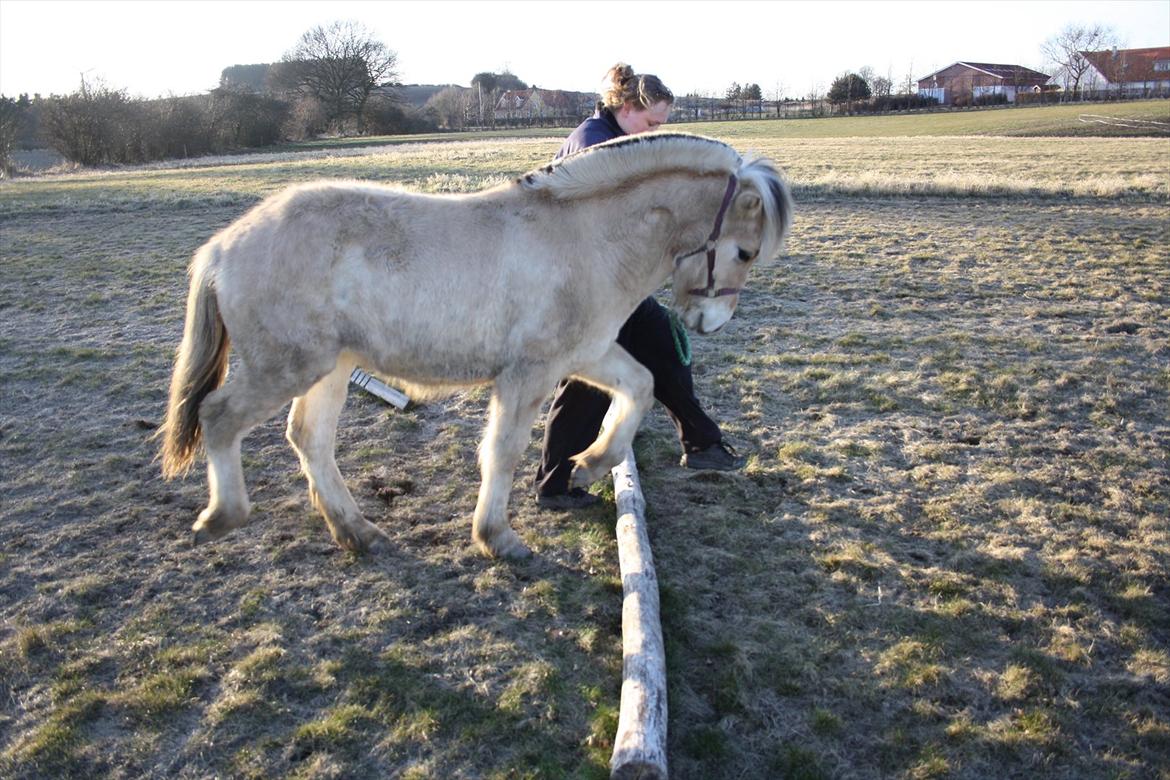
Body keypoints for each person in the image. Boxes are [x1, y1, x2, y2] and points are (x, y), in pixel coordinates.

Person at [534, 63, 746, 510]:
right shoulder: (595, 143)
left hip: (609, 283)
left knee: (665, 343)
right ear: (627, 108)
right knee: (586, 387)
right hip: (581, 287)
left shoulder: (614, 139)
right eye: (651, 125)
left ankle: (703, 443)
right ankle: (555, 486)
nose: (654, 135)